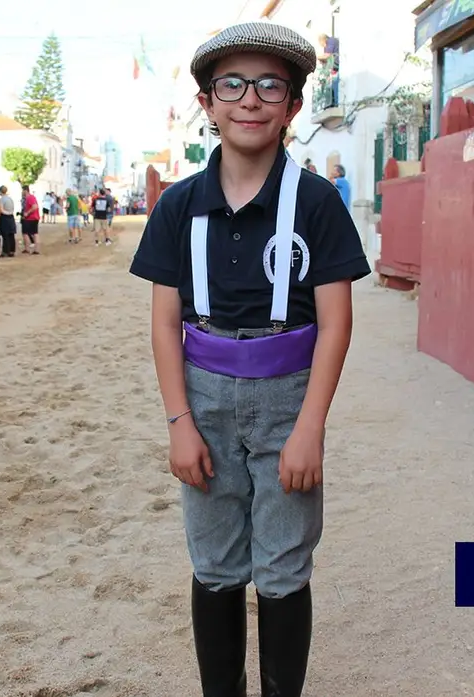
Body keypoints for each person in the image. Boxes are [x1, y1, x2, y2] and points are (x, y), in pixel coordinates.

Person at [128, 22, 369, 697]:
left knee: (285, 564)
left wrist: (310, 427)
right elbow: (164, 321)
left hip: (288, 397)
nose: (250, 99)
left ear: (292, 105)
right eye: (231, 84)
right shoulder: (178, 207)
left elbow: (337, 320)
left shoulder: (317, 204)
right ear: (207, 103)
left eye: (271, 85)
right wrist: (179, 420)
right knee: (214, 564)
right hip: (201, 398)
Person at [20, 185, 41, 255]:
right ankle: (35, 249)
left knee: (26, 233)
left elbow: (35, 206)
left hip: (30, 218)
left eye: (22, 190)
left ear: (25, 191)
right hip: (33, 218)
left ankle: (28, 248)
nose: (22, 192)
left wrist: (27, 213)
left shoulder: (30, 198)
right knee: (34, 233)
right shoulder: (29, 198)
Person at [0, 185, 17, 258]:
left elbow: (1, 209)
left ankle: (5, 251)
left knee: (5, 235)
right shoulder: (10, 199)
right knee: (11, 235)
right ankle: (12, 250)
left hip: (4, 217)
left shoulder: (1, 199)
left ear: (0, 192)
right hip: (11, 217)